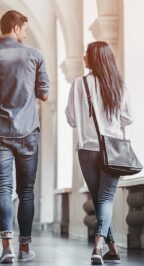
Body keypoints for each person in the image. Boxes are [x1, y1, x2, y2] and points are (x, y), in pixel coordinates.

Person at [0, 10, 49, 263]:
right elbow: (44, 94)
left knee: (2, 189)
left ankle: (7, 248)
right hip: (28, 133)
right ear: (15, 28)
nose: (25, 34)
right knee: (26, 192)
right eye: (24, 29)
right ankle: (25, 248)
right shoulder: (35, 55)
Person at [65, 41, 133, 265]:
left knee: (99, 199)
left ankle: (101, 247)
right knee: (104, 200)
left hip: (87, 150)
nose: (84, 57)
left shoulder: (79, 84)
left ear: (95, 58)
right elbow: (128, 118)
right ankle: (106, 247)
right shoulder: (118, 85)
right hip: (113, 150)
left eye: (87, 54)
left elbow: (72, 119)